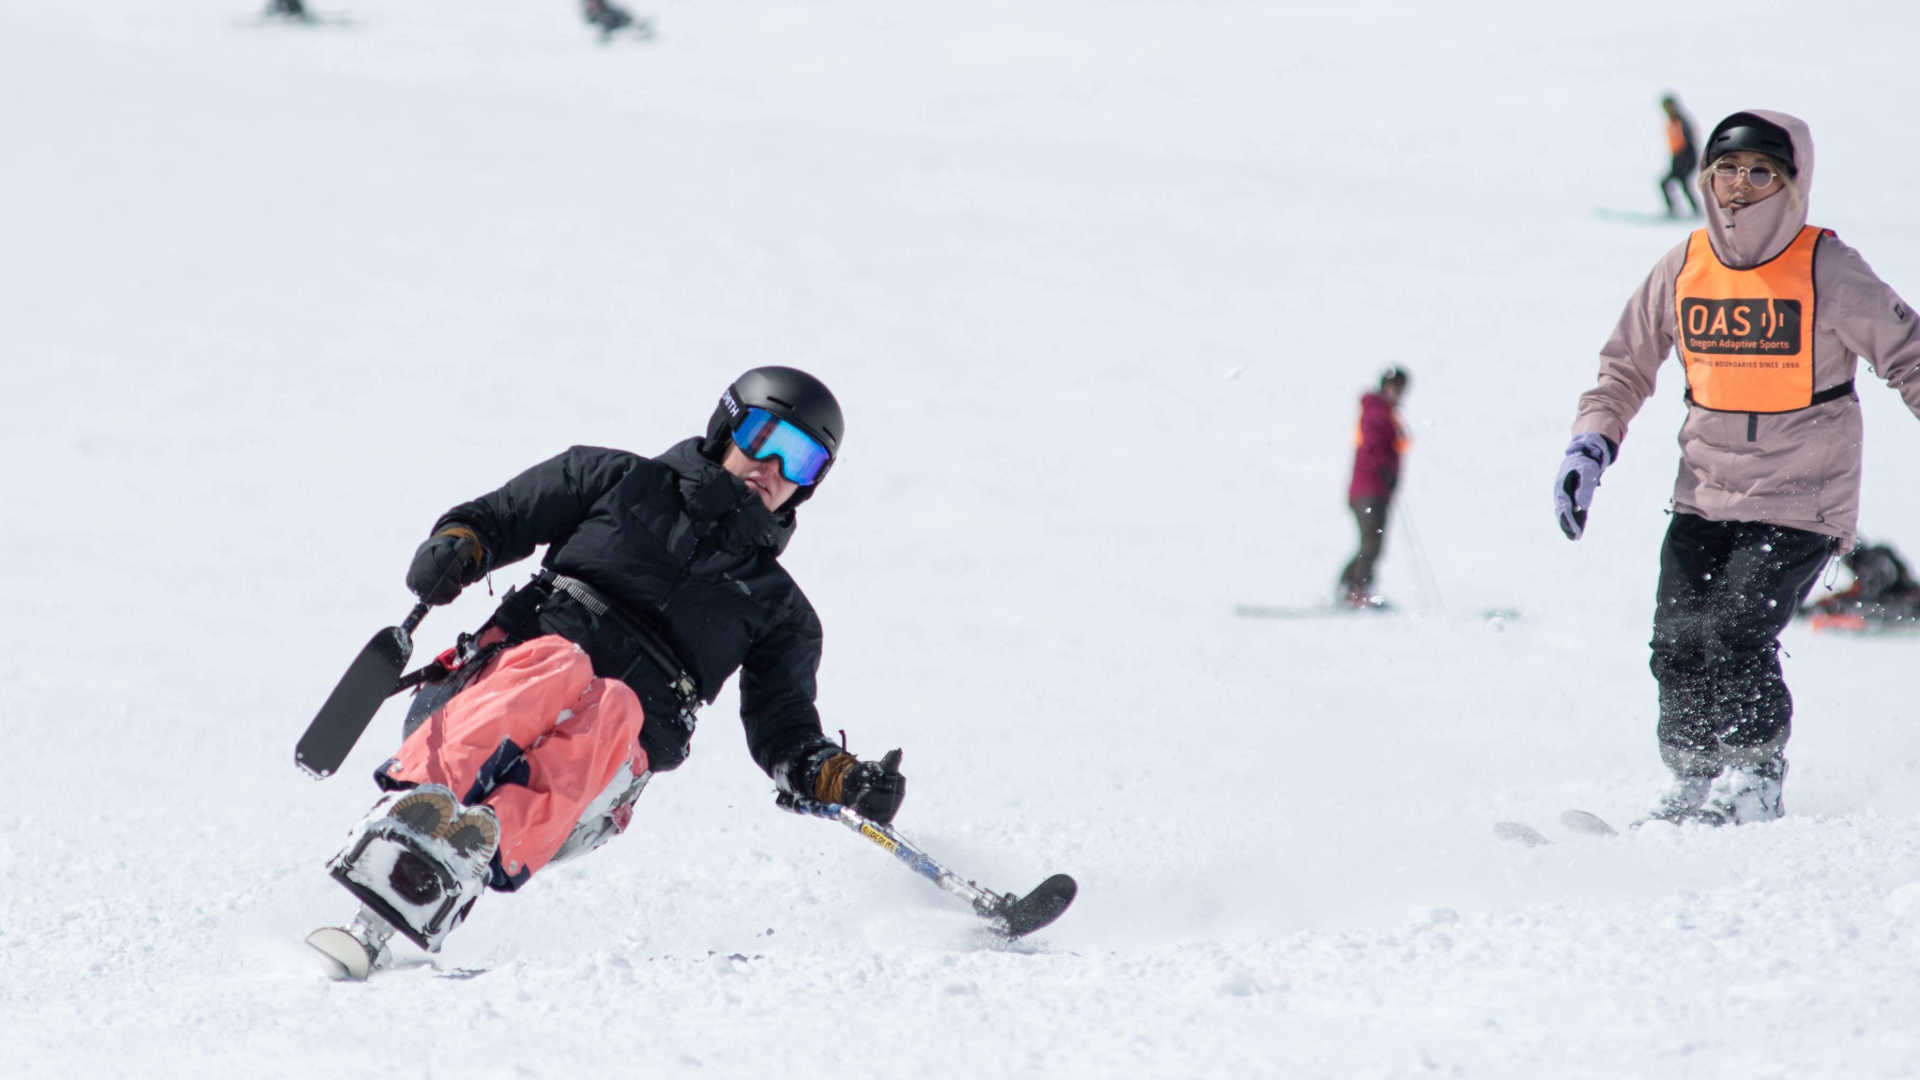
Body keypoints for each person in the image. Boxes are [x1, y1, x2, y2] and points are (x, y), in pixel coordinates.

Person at [314, 367, 907, 975]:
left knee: (619, 705)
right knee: (561, 662)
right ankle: (420, 811)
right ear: (727, 425)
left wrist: (835, 777)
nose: (773, 467)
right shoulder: (613, 481)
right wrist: (459, 546)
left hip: (597, 778)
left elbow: (784, 730)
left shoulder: (779, 610)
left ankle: (476, 840)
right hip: (486, 698)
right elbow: (496, 519)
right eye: (764, 437)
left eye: (801, 459)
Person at [1554, 110, 1920, 825]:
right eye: (1726, 170)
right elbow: (1624, 364)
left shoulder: (1828, 268)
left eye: (1760, 172)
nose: (1739, 187)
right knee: (1677, 639)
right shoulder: (1685, 266)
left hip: (1801, 500)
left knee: (1733, 633)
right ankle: (1692, 784)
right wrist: (1590, 444)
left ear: (1791, 183)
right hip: (1704, 493)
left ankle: (1753, 784)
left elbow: (1910, 356)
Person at [1338, 367, 1410, 608]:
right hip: (1368, 491)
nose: (1399, 394)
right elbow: (1371, 446)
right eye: (1396, 388)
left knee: (1372, 542)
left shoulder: (1385, 413)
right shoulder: (1376, 413)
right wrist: (1383, 470)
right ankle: (1355, 591)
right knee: (1372, 542)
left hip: (1376, 491)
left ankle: (1351, 588)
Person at [1804, 539, 1920, 629]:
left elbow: (1866, 597)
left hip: (1908, 605)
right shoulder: (1871, 560)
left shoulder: (1873, 564)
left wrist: (1832, 605)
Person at [1659, 95, 1700, 218]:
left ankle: (1695, 211)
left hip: (1686, 158)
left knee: (1683, 184)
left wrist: (1686, 162)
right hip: (1678, 159)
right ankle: (1675, 210)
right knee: (1668, 183)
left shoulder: (1681, 121)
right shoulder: (1672, 121)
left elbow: (1690, 142)